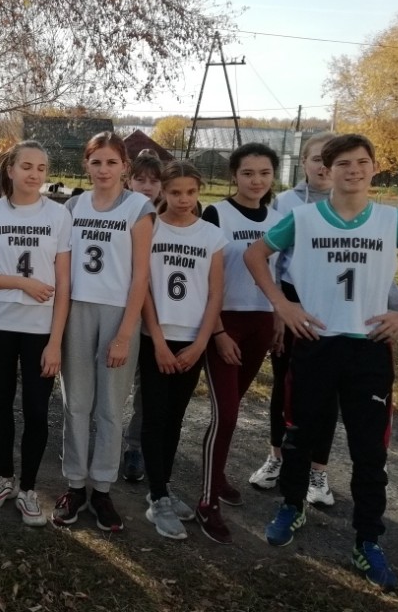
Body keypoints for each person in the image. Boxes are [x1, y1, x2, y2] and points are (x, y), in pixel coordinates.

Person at [245, 133, 398, 591]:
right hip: (316, 342)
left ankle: (367, 540)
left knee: (369, 451)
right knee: (300, 435)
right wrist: (283, 305)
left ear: (374, 167)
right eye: (343, 163)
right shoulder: (303, 217)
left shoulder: (391, 220)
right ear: (327, 170)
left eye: (362, 162)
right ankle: (291, 506)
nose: (353, 170)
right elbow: (255, 255)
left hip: (368, 347)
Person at [0, 140, 71, 526]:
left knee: (37, 409)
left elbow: (64, 284)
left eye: (41, 168)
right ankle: (5, 478)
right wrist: (22, 283)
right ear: (10, 170)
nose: (34, 174)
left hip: (41, 330)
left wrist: (56, 342)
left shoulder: (59, 215)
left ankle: (28, 488)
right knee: (0, 402)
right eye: (27, 166)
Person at [52, 133, 154, 531]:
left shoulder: (138, 207)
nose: (104, 169)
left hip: (118, 313)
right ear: (86, 165)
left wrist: (125, 334)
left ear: (124, 166)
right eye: (96, 162)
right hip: (77, 308)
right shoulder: (73, 206)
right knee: (76, 402)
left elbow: (141, 276)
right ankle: (76, 484)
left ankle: (103, 489)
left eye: (112, 162)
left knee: (110, 406)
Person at [193, 143, 282, 543]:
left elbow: (278, 274)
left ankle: (217, 475)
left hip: (261, 322)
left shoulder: (278, 219)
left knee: (232, 408)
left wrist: (278, 318)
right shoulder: (216, 214)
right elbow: (203, 278)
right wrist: (217, 332)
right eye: (248, 173)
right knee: (226, 414)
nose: (256, 180)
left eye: (264, 173)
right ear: (234, 175)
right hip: (224, 322)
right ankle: (207, 501)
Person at [249, 132, 338, 503]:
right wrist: (279, 309)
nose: (324, 166)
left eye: (330, 160)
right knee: (285, 385)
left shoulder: (350, 204)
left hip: (335, 309)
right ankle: (277, 458)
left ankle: (318, 472)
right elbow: (271, 258)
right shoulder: (285, 203)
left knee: (328, 392)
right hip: (292, 304)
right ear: (303, 162)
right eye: (317, 158)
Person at [140, 161, 226, 540]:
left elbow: (215, 294)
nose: (184, 199)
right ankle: (157, 497)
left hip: (193, 341)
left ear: (199, 191)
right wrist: (158, 340)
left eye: (191, 192)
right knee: (154, 416)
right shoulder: (150, 229)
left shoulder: (211, 235)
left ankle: (163, 486)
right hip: (156, 338)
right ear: (163, 191)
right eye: (175, 192)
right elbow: (143, 286)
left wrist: (202, 342)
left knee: (175, 418)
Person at [121, 150, 164, 483]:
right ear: (129, 180)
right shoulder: (121, 213)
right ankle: (96, 443)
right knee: (112, 386)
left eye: (154, 180)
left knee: (146, 389)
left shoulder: (170, 220)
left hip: (155, 319)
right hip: (120, 312)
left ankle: (134, 447)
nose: (147, 186)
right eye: (140, 179)